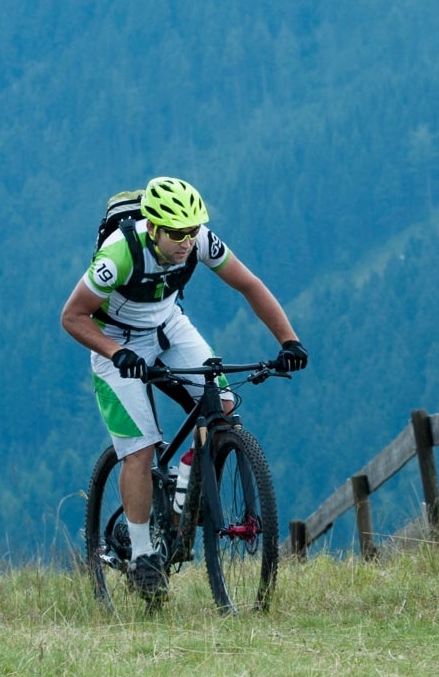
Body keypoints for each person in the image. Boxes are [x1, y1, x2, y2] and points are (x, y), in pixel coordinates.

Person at [60, 175, 307, 600]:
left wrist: (288, 340)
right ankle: (141, 556)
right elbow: (73, 316)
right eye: (176, 233)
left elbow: (249, 284)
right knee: (138, 449)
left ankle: (184, 488)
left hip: (167, 324)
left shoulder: (201, 241)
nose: (186, 241)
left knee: (224, 406)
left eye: (192, 230)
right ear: (153, 227)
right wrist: (116, 353)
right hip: (114, 341)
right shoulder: (119, 254)